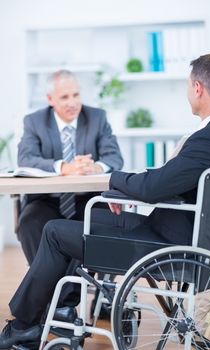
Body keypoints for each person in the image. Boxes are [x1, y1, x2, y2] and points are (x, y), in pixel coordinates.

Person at [1, 53, 210, 349]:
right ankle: (58, 308)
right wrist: (125, 190)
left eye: (188, 86)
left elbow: (154, 186)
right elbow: (171, 181)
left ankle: (23, 326)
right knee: (78, 218)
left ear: (198, 88)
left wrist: (114, 180)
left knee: (56, 231)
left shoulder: (208, 138)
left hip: (168, 247)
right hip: (202, 243)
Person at [16, 70, 123, 323]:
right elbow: (26, 159)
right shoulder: (34, 121)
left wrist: (95, 167)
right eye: (64, 97)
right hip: (47, 200)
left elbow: (114, 158)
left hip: (86, 199)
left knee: (87, 225)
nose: (73, 102)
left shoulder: (97, 118)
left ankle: (62, 304)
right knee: (30, 222)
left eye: (76, 95)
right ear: (50, 99)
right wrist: (64, 167)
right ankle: (62, 301)